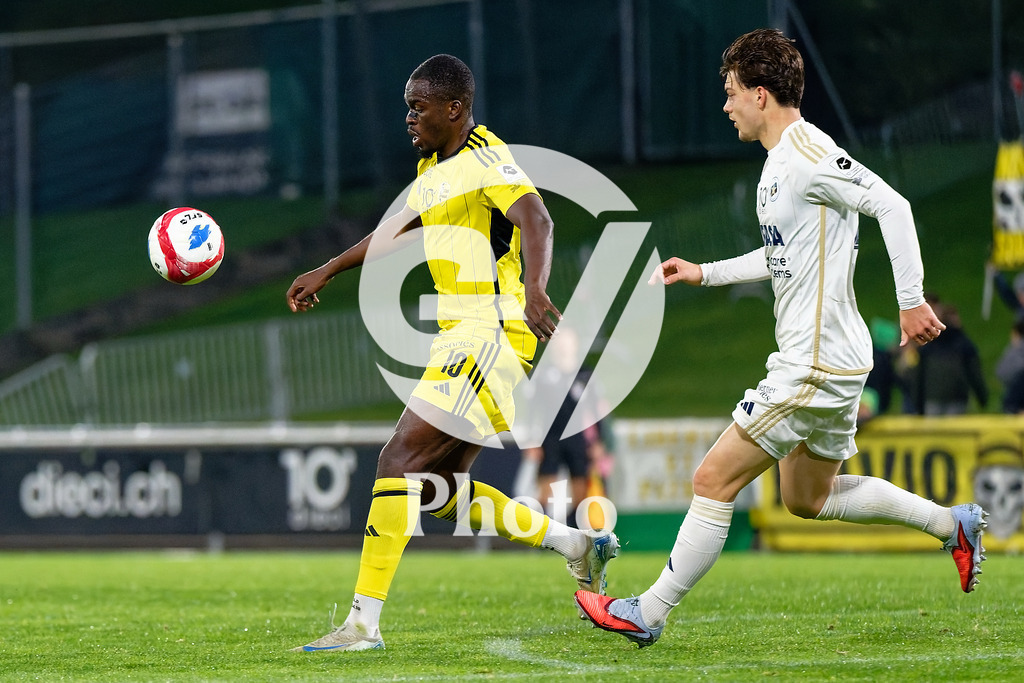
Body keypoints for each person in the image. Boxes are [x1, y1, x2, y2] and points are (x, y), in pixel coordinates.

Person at [574, 29, 988, 648]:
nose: (726, 104)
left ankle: (648, 610)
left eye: (732, 92)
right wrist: (705, 272)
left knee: (713, 479)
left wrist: (911, 303)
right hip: (834, 362)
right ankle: (950, 524)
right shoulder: (782, 163)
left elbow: (894, 207)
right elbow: (782, 257)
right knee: (806, 498)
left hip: (814, 363)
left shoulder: (804, 154)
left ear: (761, 94)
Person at [285, 54, 618, 652]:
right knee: (438, 487)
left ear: (454, 108)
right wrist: (329, 269)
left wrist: (537, 289)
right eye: (407, 106)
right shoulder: (436, 166)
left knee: (397, 462)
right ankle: (577, 545)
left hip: (487, 335)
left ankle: (362, 625)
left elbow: (536, 218)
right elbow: (398, 227)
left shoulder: (485, 158)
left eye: (418, 107)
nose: (408, 117)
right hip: (469, 336)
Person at [912, 302, 988, 415]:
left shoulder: (929, 344)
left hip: (933, 397)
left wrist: (918, 403)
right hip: (957, 397)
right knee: (954, 431)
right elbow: (974, 373)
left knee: (932, 432)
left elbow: (919, 376)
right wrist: (982, 397)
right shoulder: (964, 344)